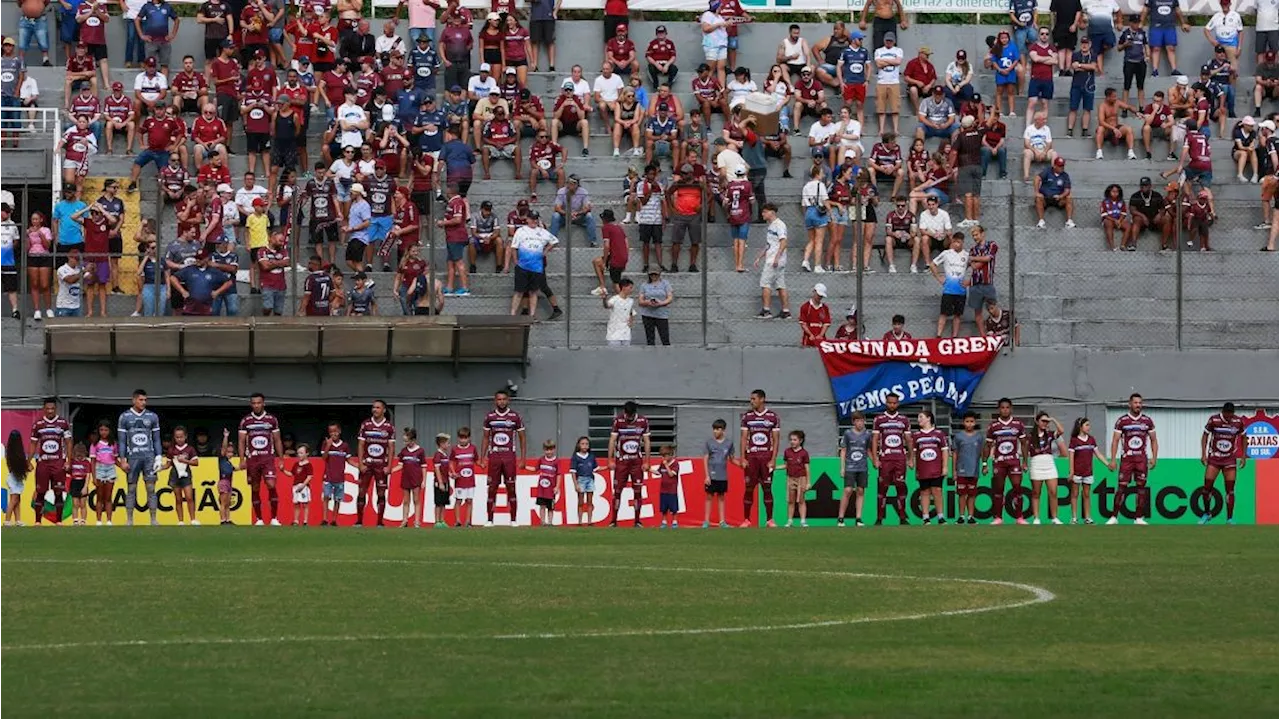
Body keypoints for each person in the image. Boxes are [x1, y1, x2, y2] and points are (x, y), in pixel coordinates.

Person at [1108, 393, 1158, 525]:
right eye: (1136, 403)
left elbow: (1153, 440)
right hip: (1127, 459)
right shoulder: (1122, 421)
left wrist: (1154, 457)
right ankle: (1114, 517)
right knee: (1121, 487)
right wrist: (1113, 460)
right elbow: (1115, 441)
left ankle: (1138, 517)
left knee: (1141, 487)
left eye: (1140, 403)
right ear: (1129, 404)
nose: (1138, 405)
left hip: (1141, 459)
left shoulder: (1147, 421)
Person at [480, 389, 526, 527]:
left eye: (504, 399)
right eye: (499, 399)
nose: (501, 402)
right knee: (492, 488)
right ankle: (489, 520)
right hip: (494, 457)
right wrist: (482, 458)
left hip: (509, 457)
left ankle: (513, 520)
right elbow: (486, 438)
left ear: (508, 400)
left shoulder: (515, 417)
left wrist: (523, 459)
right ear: (495, 401)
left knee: (511, 487)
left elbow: (522, 439)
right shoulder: (490, 417)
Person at [238, 391, 284, 526]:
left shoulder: (271, 419)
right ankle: (259, 519)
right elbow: (241, 441)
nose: (256, 405)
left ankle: (274, 518)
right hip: (253, 459)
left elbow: (277, 440)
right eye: (254, 403)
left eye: (259, 403)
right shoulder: (246, 421)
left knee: (271, 484)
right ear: (251, 405)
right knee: (255, 487)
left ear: (263, 403)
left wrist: (281, 458)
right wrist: (242, 459)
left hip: (267, 458)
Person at [117, 389, 162, 527]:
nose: (143, 402)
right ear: (134, 400)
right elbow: (122, 441)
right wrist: (123, 459)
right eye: (141, 400)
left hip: (148, 456)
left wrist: (159, 457)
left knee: (151, 488)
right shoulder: (124, 417)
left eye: (145, 400)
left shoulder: (152, 416)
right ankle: (129, 519)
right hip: (132, 457)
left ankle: (153, 519)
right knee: (131, 488)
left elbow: (156, 439)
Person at [738, 389, 780, 528]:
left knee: (767, 488)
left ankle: (769, 520)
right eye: (751, 399)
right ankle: (746, 519)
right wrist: (743, 458)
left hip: (766, 457)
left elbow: (776, 439)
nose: (751, 401)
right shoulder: (747, 417)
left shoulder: (773, 417)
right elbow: (744, 438)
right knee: (749, 488)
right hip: (752, 458)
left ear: (762, 399)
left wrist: (773, 459)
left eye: (753, 399)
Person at [983, 397, 1028, 525]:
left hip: (1013, 461)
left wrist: (1025, 461)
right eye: (1002, 407)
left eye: (1007, 407)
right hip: (999, 462)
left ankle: (1019, 517)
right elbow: (987, 445)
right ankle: (998, 517)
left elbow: (1024, 443)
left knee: (1017, 487)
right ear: (999, 409)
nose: (1005, 410)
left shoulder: (1018, 424)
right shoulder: (993, 426)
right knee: (999, 488)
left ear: (1011, 409)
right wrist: (985, 463)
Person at [1201, 402, 1246, 525]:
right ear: (1223, 412)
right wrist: (1203, 454)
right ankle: (1207, 513)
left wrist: (1243, 456)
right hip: (1215, 458)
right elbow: (1205, 435)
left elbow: (1244, 437)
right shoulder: (1214, 420)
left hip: (1229, 459)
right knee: (1207, 488)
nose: (1228, 417)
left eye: (1231, 415)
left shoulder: (1238, 422)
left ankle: (1230, 518)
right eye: (1227, 415)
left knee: (1230, 490)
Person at [28, 399, 71, 526]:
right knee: (40, 491)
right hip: (43, 463)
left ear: (55, 409)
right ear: (44, 409)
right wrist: (28, 461)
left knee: (58, 491)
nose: (50, 411)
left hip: (58, 463)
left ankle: (59, 520)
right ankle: (37, 521)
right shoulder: (38, 424)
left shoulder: (62, 423)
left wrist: (68, 461)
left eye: (52, 408)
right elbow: (33, 444)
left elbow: (68, 442)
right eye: (48, 409)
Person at [871, 392, 910, 525]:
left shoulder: (904, 419)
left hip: (900, 458)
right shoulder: (879, 419)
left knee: (901, 486)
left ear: (897, 404)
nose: (892, 405)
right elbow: (875, 439)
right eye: (889, 402)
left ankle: (903, 517)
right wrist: (875, 458)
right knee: (883, 488)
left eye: (894, 403)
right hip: (885, 459)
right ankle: (879, 518)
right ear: (885, 403)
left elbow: (908, 439)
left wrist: (911, 458)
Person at [1067, 418, 1110, 524]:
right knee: (1075, 494)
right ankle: (1074, 518)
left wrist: (1108, 464)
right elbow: (1071, 457)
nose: (1089, 427)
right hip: (1077, 472)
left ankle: (1087, 518)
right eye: (1086, 425)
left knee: (1086, 495)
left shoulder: (1091, 439)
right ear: (1080, 427)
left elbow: (1098, 454)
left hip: (1088, 472)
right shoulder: (1074, 440)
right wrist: (1071, 472)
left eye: (1089, 425)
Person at [908, 410, 948, 525]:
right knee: (924, 492)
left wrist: (945, 467)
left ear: (929, 418)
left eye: (921, 417)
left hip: (936, 468)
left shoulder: (939, 434)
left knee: (937, 491)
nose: (919, 419)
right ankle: (925, 518)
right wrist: (912, 462)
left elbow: (944, 451)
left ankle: (940, 516)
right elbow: (913, 452)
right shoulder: (916, 435)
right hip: (923, 469)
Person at [1026, 413, 1067, 525]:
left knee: (1053, 492)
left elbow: (1061, 431)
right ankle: (1036, 518)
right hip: (1036, 463)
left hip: (1049, 463)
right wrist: (1024, 463)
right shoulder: (1030, 436)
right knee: (1036, 493)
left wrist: (1053, 419)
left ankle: (1054, 517)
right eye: (1043, 421)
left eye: (1046, 421)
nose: (1045, 423)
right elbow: (1025, 450)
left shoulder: (1049, 434)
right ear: (1037, 421)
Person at [929, 233, 969, 338]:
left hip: (961, 290)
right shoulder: (946, 254)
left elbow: (975, 267)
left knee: (957, 315)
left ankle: (955, 336)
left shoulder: (967, 255)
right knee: (944, 313)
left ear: (962, 242)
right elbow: (932, 264)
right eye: (954, 242)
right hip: (948, 290)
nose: (956, 244)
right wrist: (938, 277)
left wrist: (969, 281)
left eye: (959, 242)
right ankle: (938, 335)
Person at [755, 202, 790, 319]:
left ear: (772, 212)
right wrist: (760, 257)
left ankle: (766, 310)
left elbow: (784, 242)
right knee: (780, 285)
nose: (762, 214)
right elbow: (769, 244)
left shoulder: (779, 225)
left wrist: (776, 257)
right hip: (774, 259)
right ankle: (786, 311)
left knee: (765, 283)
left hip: (774, 261)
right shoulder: (771, 226)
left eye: (765, 211)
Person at [948, 411, 983, 525]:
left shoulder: (979, 437)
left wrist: (984, 465)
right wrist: (954, 470)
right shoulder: (958, 437)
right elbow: (955, 454)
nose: (969, 424)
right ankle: (961, 516)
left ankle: (971, 516)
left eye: (971, 421)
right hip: (961, 469)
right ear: (963, 423)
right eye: (967, 421)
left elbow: (982, 452)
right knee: (962, 494)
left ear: (975, 422)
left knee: (972, 494)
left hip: (974, 470)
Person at [701, 419, 734, 528]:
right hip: (712, 474)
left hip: (722, 475)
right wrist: (707, 475)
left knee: (721, 497)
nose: (715, 431)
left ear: (723, 430)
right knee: (709, 497)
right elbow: (705, 459)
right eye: (714, 429)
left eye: (717, 429)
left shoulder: (729, 443)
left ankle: (722, 521)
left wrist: (741, 464)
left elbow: (732, 459)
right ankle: (706, 521)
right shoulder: (709, 442)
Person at [1142, 0, 1188, 77]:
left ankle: (1174, 70)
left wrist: (1183, 23)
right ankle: (1155, 71)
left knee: (1171, 48)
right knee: (1156, 48)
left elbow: (1178, 10)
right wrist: (1141, 22)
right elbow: (1145, 9)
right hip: (1155, 26)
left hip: (1169, 26)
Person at [319, 422, 351, 527]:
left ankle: (334, 519)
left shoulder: (345, 445)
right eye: (331, 432)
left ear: (339, 431)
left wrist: (360, 466)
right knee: (326, 497)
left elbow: (349, 460)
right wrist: (328, 445)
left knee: (338, 499)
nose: (334, 434)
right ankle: (324, 518)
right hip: (328, 475)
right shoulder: (326, 443)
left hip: (340, 477)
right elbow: (324, 458)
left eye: (335, 431)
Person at [872, 32, 903, 136]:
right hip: (881, 82)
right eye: (887, 40)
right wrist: (891, 61)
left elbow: (898, 62)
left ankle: (895, 129)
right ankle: (881, 129)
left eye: (890, 41)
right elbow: (878, 64)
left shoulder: (898, 50)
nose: (888, 42)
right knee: (881, 108)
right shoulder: (878, 51)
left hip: (894, 82)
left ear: (894, 41)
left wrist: (884, 60)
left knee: (895, 107)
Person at [1095, 87, 1138, 159]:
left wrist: (1136, 112)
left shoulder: (1117, 102)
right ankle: (1099, 152)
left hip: (1116, 127)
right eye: (1113, 97)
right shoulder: (1102, 106)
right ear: (1108, 97)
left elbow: (1128, 107)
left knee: (1128, 129)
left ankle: (1131, 152)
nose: (1115, 98)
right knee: (1100, 129)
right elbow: (1101, 122)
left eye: (1116, 96)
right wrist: (1113, 129)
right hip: (1107, 129)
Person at [448, 426, 479, 527]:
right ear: (458, 438)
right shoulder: (455, 449)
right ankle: (457, 521)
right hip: (460, 480)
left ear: (469, 438)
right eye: (461, 438)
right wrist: (453, 472)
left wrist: (481, 464)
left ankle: (468, 521)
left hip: (470, 479)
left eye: (465, 438)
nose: (463, 440)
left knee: (469, 500)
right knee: (458, 500)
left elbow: (476, 460)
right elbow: (451, 462)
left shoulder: (473, 448)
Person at [1035, 156, 1076, 228]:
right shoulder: (1047, 171)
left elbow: (1067, 189)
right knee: (1038, 197)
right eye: (1060, 166)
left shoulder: (1065, 176)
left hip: (1058, 198)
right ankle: (1041, 221)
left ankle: (1069, 221)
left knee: (1069, 197)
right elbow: (1037, 178)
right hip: (1046, 197)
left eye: (1063, 165)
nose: (1062, 167)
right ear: (1054, 166)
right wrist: (1036, 191)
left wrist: (1061, 196)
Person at [1204, 0, 1244, 65]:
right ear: (1220, 4)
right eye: (1223, 4)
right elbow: (1206, 29)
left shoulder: (1236, 15)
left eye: (1226, 4)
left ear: (1230, 4)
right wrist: (1212, 41)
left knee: (1233, 69)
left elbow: (1240, 31)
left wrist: (1239, 47)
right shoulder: (1216, 16)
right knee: (1219, 67)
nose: (1224, 6)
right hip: (1220, 46)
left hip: (1232, 45)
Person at [1022, 112, 1057, 180]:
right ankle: (1026, 175)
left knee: (1054, 154)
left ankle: (1054, 175)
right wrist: (1035, 151)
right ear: (1037, 120)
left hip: (1044, 151)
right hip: (1033, 151)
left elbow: (1049, 143)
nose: (1045, 121)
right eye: (1043, 119)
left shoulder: (1047, 129)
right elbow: (1026, 144)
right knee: (1027, 153)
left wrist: (1044, 152)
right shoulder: (1029, 129)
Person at [4, 429, 27, 527]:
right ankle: (7, 520)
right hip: (14, 478)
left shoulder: (9, 451)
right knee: (14, 500)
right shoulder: (14, 453)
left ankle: (18, 520)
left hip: (15, 478)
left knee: (17, 500)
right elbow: (16, 467)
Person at [602, 277, 635, 347]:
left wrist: (631, 320)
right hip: (614, 334)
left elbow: (631, 312)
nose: (631, 290)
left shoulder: (631, 301)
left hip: (626, 334)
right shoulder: (614, 299)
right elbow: (607, 306)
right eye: (630, 287)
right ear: (623, 287)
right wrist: (604, 299)